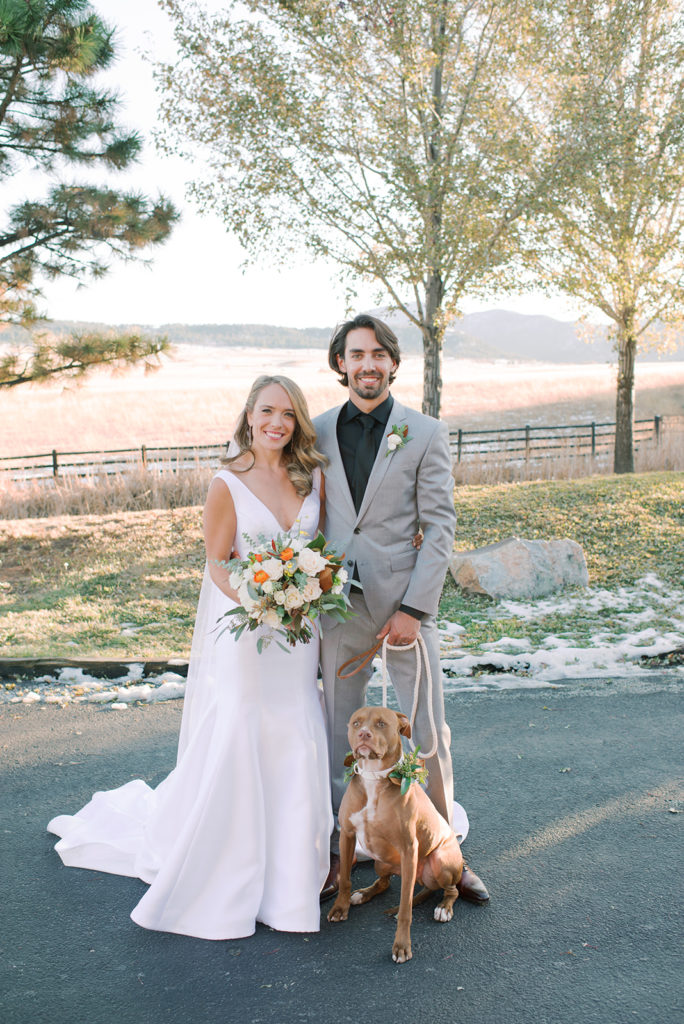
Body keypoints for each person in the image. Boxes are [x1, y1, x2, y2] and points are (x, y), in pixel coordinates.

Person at [47, 375, 333, 939]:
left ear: (298, 422)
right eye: (268, 411)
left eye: (289, 415)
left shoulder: (310, 477)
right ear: (249, 415)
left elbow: (315, 554)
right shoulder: (227, 482)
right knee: (245, 728)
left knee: (295, 727)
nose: (278, 423)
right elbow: (218, 562)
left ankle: (293, 869)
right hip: (250, 633)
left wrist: (304, 594)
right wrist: (262, 602)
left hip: (300, 633)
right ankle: (230, 865)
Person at [313, 313, 489, 904]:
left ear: (392, 362)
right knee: (343, 727)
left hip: (408, 606)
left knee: (425, 733)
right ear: (341, 363)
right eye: (355, 355)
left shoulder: (426, 432)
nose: (367, 364)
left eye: (378, 355)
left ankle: (447, 854)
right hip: (338, 606)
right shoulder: (313, 432)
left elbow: (439, 528)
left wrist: (415, 606)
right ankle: (341, 852)